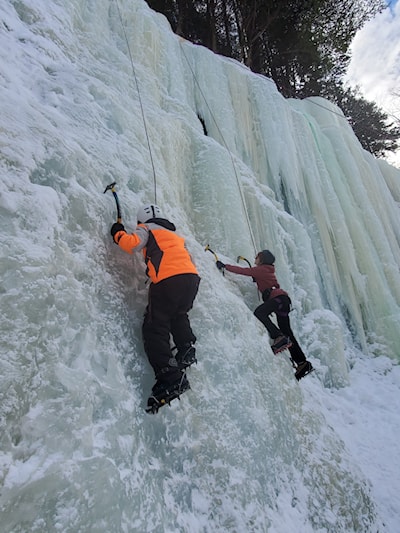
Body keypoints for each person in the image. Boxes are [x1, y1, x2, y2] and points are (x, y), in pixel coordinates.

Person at [110, 204, 200, 408]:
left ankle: (170, 377)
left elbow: (132, 244)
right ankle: (186, 348)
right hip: (191, 279)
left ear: (142, 220)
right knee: (178, 313)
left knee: (155, 327)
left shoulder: (147, 228)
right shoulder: (176, 236)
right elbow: (190, 260)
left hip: (168, 280)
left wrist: (118, 233)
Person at [216, 250, 313, 380]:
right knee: (287, 332)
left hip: (277, 300)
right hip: (283, 301)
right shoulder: (267, 270)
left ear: (261, 259)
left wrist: (225, 266)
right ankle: (302, 362)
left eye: (257, 256)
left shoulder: (261, 269)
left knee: (259, 312)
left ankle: (277, 336)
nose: (255, 258)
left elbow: (243, 271)